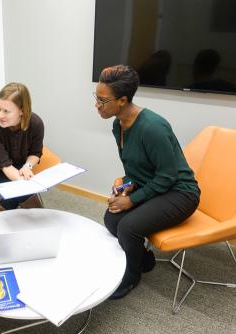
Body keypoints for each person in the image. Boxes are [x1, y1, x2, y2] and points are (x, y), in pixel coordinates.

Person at [94, 65, 200, 299]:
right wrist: (125, 183)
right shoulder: (118, 124)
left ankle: (131, 275)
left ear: (122, 100)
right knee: (111, 218)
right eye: (96, 97)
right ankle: (144, 259)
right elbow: (137, 168)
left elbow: (168, 176)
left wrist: (132, 201)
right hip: (154, 185)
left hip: (180, 193)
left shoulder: (153, 127)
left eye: (102, 100)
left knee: (128, 227)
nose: (97, 105)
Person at [0, 82, 44, 213]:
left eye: (6, 111)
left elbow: (36, 153)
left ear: (22, 111)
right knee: (19, 191)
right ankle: (42, 218)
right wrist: (27, 186)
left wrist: (27, 166)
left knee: (19, 190)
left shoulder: (36, 123)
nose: (0, 115)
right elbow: (5, 165)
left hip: (20, 164)